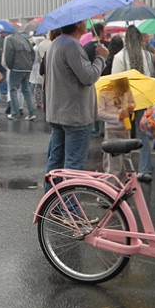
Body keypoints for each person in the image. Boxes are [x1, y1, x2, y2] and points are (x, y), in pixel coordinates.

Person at [44, 20, 108, 191]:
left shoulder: (56, 43)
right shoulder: (72, 45)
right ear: (78, 24)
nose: (86, 23)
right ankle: (70, 212)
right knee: (74, 166)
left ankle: (51, 205)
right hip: (75, 115)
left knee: (56, 161)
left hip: (58, 112)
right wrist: (101, 57)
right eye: (83, 21)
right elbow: (88, 76)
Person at [112, 25, 155, 182]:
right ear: (140, 39)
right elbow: (151, 77)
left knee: (123, 135)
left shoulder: (119, 57)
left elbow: (116, 82)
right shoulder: (148, 56)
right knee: (143, 134)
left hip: (125, 101)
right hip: (143, 99)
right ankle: (145, 169)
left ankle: (126, 170)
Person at [97, 77, 136, 176]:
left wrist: (131, 107)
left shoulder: (127, 91)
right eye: (120, 91)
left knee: (126, 159)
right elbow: (99, 113)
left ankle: (123, 183)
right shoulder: (103, 93)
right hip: (111, 128)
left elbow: (132, 102)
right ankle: (111, 183)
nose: (122, 93)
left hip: (125, 127)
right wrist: (118, 117)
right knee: (112, 161)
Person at [3, 31, 37, 121]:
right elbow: (33, 54)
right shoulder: (25, 40)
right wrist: (29, 65)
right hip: (27, 68)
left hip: (17, 68)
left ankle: (15, 113)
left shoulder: (10, 39)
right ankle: (32, 113)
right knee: (27, 90)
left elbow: (8, 55)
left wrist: (11, 66)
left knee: (13, 90)